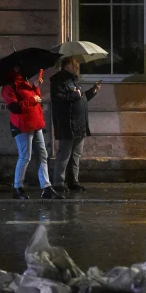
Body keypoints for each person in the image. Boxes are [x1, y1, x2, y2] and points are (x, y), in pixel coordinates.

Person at [2, 65, 64, 199]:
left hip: (35, 123)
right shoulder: (9, 87)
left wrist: (35, 86)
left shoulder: (24, 82)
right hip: (22, 126)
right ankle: (17, 188)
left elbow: (37, 97)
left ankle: (46, 187)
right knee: (25, 156)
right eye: (18, 67)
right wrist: (32, 100)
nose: (20, 68)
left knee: (42, 154)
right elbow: (14, 107)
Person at [50, 57, 101, 192]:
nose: (77, 68)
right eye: (75, 65)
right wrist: (75, 96)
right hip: (68, 124)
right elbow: (59, 100)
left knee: (76, 155)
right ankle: (58, 183)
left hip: (79, 124)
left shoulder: (73, 81)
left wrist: (91, 92)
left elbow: (80, 98)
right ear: (67, 67)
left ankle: (73, 181)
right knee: (64, 154)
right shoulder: (59, 81)